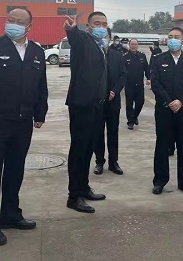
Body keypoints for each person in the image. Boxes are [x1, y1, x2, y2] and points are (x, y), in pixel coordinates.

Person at [0, 8, 48, 246]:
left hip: (23, 123)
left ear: (29, 26)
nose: (13, 24)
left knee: (15, 170)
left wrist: (40, 112)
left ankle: (11, 214)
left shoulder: (36, 52)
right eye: (10, 20)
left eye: (19, 21)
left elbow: (41, 86)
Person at [64, 12, 109, 213]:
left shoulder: (100, 46)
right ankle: (74, 196)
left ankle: (84, 188)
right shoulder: (83, 39)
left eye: (104, 24)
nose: (101, 27)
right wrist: (72, 29)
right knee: (79, 150)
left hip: (96, 105)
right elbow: (74, 38)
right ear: (88, 26)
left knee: (89, 149)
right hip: (81, 104)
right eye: (97, 23)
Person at [150, 27, 183, 195]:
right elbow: (155, 83)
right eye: (170, 36)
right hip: (164, 110)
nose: (173, 40)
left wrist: (181, 101)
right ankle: (160, 181)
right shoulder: (158, 59)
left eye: (176, 37)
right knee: (162, 146)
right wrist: (169, 101)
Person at [94, 28, 127, 175]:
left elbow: (123, 75)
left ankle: (113, 162)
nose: (103, 38)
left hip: (113, 100)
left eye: (106, 35)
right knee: (98, 132)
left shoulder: (117, 55)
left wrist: (115, 90)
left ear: (109, 37)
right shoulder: (93, 54)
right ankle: (99, 162)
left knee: (113, 132)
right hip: (98, 101)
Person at [123, 38, 150, 130]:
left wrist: (148, 78)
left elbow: (146, 68)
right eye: (132, 44)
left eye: (135, 44)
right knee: (129, 104)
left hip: (139, 84)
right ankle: (130, 122)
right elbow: (122, 70)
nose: (133, 46)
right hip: (129, 84)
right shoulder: (125, 57)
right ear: (129, 45)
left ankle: (134, 116)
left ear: (138, 45)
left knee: (140, 102)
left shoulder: (142, 56)